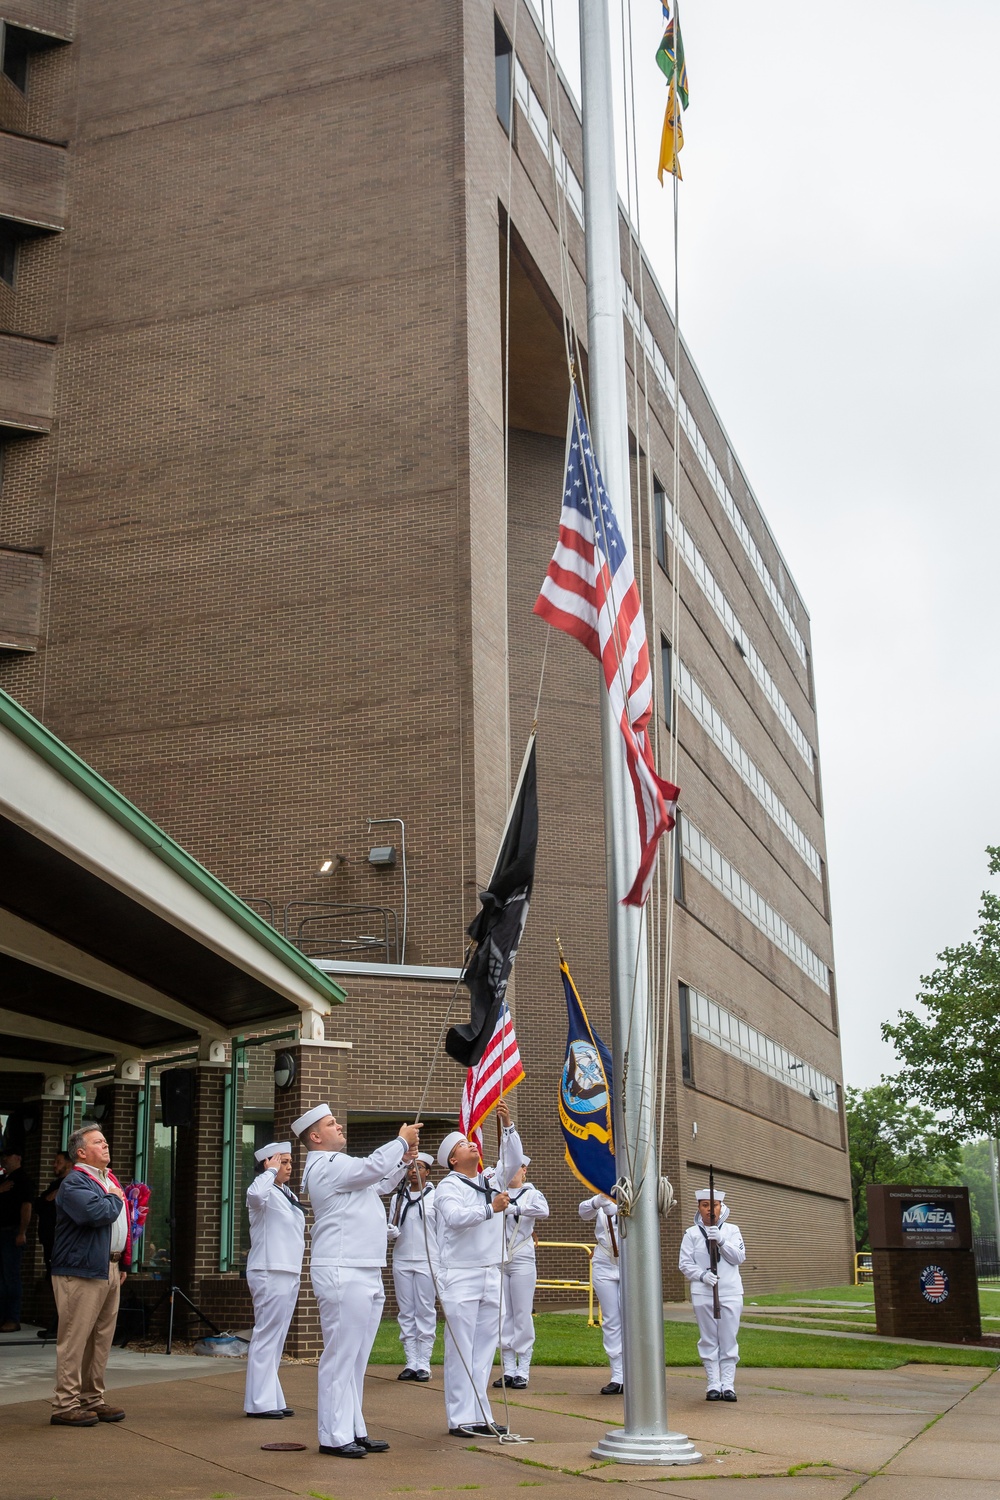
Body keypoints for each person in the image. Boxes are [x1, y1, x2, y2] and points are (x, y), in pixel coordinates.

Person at [294, 1103, 419, 1459]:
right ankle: (333, 1435)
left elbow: (378, 1181)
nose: (340, 1127)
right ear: (316, 1137)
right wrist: (399, 1142)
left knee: (357, 1358)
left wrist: (403, 1159)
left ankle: (352, 1428)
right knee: (340, 1355)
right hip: (342, 1268)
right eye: (332, 1124)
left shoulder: (342, 1169)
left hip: (363, 1266)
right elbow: (370, 1168)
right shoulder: (327, 1164)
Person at [434, 1099, 523, 1437]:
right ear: (453, 1160)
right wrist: (490, 1208)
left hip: (490, 1271)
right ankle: (460, 1417)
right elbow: (456, 1219)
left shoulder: (489, 1178)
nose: (471, 1142)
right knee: (461, 1348)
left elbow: (512, 1161)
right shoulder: (448, 1187)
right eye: (462, 1144)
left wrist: (508, 1126)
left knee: (485, 1348)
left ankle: (480, 1414)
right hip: (460, 1274)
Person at [49, 1125, 132, 1427]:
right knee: (74, 1338)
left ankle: (92, 1399)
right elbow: (96, 1214)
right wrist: (114, 1197)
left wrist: (123, 1263)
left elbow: (119, 1223)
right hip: (80, 1270)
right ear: (81, 1152)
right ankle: (64, 1404)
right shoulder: (74, 1182)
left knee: (100, 1339)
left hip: (108, 1268)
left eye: (106, 1141)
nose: (106, 1145)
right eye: (99, 1142)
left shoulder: (107, 1179)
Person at [244, 1141, 305, 1420]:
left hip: (288, 1269)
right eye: (283, 1162)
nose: (289, 1167)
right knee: (267, 1334)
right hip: (269, 1268)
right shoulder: (263, 1187)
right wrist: (268, 1173)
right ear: (268, 1163)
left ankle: (271, 1396)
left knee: (277, 1337)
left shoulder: (286, 1193)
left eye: (290, 1162)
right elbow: (254, 1196)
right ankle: (258, 1402)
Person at [678, 1186, 746, 1402]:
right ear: (699, 1207)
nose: (710, 1210)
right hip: (703, 1293)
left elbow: (739, 1258)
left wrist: (723, 1242)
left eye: (714, 1205)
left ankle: (728, 1384)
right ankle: (713, 1384)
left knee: (728, 1338)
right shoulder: (691, 1234)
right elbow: (684, 1264)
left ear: (721, 1206)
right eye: (705, 1205)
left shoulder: (732, 1230)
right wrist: (701, 1275)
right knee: (708, 1339)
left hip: (730, 1292)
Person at [494, 1157, 548, 1390]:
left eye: (516, 1167)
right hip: (500, 1257)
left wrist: (515, 1208)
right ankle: (508, 1369)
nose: (511, 1172)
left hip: (522, 1256)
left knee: (522, 1313)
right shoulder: (498, 1193)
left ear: (524, 1170)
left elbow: (543, 1211)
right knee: (503, 1313)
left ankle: (523, 1369)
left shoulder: (531, 1193)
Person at [384, 1151, 438, 1382]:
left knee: (425, 1310)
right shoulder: (398, 1197)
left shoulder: (436, 1197)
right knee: (406, 1311)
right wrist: (389, 1232)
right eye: (410, 1168)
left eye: (420, 1167)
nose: (413, 1172)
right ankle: (411, 1361)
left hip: (428, 1259)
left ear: (428, 1172)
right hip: (403, 1258)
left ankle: (424, 1363)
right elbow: (392, 1226)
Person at [578, 1190, 622, 1395]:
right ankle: (618, 1375)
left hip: (628, 1261)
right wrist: (598, 1200)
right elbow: (583, 1212)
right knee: (611, 1319)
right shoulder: (603, 1196)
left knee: (631, 1318)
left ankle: (636, 1373)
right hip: (604, 1260)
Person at [34, 1151, 73, 1339]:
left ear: (69, 1163)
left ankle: (62, 1325)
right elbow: (39, 1205)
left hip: (62, 1242)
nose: (54, 1165)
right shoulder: (54, 1185)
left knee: (62, 1284)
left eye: (58, 1162)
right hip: (49, 1241)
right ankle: (57, 1323)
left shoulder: (71, 1184)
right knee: (53, 1282)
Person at [0, 1149, 35, 1333]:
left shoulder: (22, 1180)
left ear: (18, 1157)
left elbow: (26, 1206)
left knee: (11, 1277)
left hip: (12, 1232)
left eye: (8, 1156)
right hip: (2, 1232)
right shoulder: (3, 1179)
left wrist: (22, 1232)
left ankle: (12, 1318)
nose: (4, 1159)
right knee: (3, 1277)